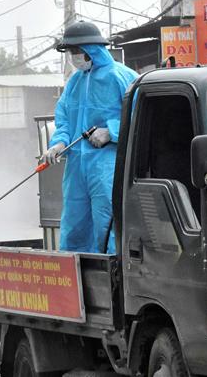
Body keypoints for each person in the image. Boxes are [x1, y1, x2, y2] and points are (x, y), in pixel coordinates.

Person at [43, 21, 138, 254]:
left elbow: (141, 116)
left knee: (107, 223)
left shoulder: (121, 77)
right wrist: (58, 143)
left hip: (108, 165)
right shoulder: (75, 82)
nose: (74, 57)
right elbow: (64, 117)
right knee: (75, 223)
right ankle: (77, 278)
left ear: (91, 49)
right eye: (70, 53)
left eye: (76, 51)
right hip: (77, 166)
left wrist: (111, 132)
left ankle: (112, 277)